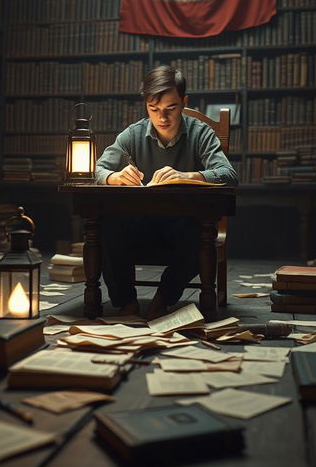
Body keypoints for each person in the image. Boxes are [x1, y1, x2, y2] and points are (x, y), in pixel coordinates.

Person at [95, 65, 238, 319]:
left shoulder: (200, 133)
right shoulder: (133, 134)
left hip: (181, 226)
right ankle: (126, 302)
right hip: (139, 224)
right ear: (146, 105)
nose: (162, 117)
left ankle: (163, 298)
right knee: (108, 224)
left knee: (200, 234)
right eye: (154, 109)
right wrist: (114, 177)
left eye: (171, 108)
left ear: (184, 102)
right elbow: (96, 170)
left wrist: (188, 176)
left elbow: (228, 175)